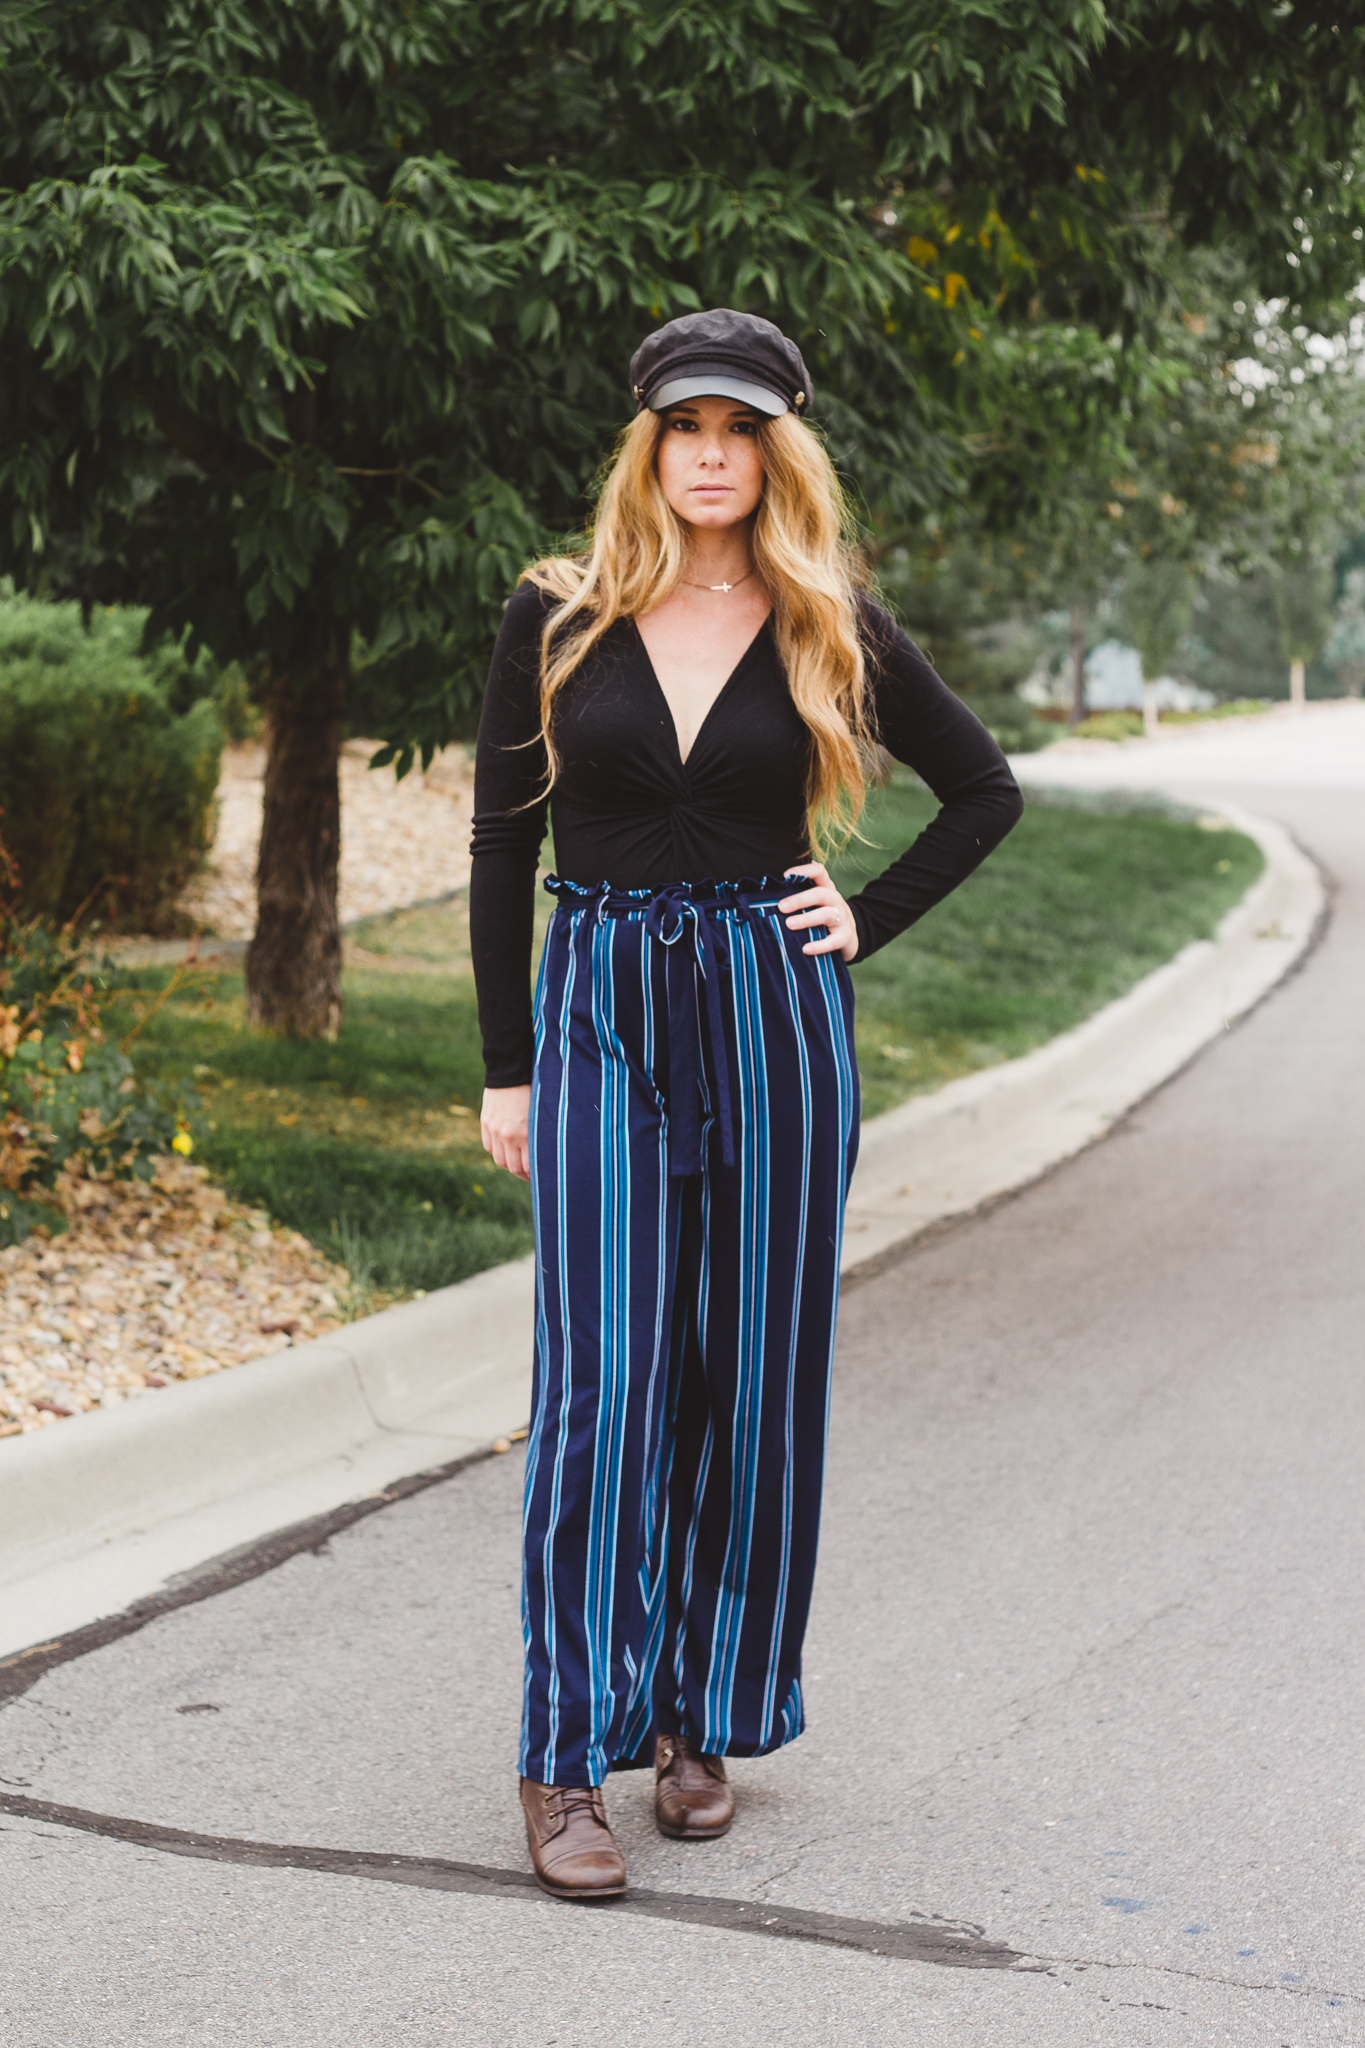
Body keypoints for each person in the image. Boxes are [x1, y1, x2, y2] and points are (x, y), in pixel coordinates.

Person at [470, 307, 1022, 1902]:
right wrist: (506, 1065)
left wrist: (864, 920)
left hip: (774, 1013)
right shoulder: (557, 610)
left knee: (752, 1375)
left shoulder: (826, 615)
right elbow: (504, 841)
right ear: (647, 446)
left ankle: (696, 1717)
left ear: (779, 453)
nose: (711, 456)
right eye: (685, 429)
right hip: (601, 1006)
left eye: (740, 431)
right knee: (605, 1383)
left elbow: (983, 790)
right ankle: (561, 1755)